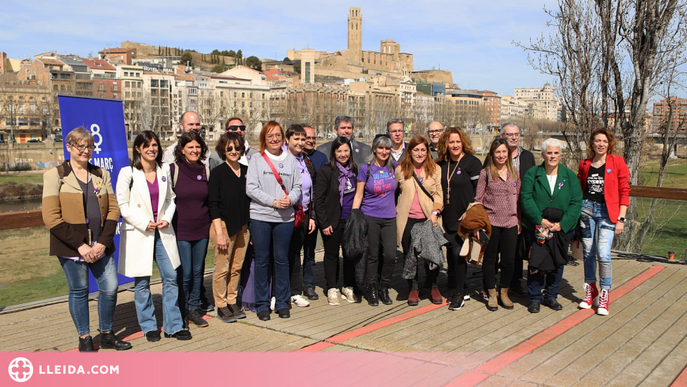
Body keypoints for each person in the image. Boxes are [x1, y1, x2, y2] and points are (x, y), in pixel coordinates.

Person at [42, 127, 131, 352]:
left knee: (110, 287)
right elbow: (51, 216)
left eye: (89, 146)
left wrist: (101, 243)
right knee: (79, 290)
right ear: (69, 147)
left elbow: (113, 209)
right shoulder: (55, 175)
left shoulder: (102, 174)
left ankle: (107, 333)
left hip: (101, 244)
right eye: (80, 146)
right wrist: (80, 246)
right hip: (71, 247)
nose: (85, 150)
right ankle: (84, 339)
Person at [117, 131, 190, 341]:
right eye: (147, 145)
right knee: (142, 283)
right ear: (138, 148)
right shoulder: (128, 173)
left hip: (163, 231)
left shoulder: (164, 169)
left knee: (171, 277)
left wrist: (167, 217)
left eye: (155, 145)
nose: (152, 149)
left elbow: (171, 199)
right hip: (141, 232)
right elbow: (123, 205)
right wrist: (144, 223)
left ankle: (173, 326)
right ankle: (148, 326)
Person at [246, 121, 302, 321]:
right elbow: (251, 188)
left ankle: (282, 302)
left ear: (283, 137)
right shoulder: (256, 159)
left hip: (285, 218)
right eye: (270, 136)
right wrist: (273, 202)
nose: (274, 139)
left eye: (277, 135)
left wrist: (291, 199)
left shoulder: (290, 160)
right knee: (262, 261)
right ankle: (262, 304)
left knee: (282, 260)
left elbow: (297, 186)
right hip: (261, 217)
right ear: (264, 138)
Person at [520, 138, 582, 313]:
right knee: (536, 263)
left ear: (560, 155)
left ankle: (551, 296)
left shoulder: (569, 176)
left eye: (556, 153)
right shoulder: (533, 173)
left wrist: (563, 224)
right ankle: (534, 297)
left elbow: (576, 202)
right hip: (537, 226)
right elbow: (526, 197)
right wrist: (539, 219)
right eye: (549, 153)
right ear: (542, 155)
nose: (552, 156)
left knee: (557, 262)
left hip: (560, 228)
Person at [577, 128, 630, 316]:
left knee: (603, 253)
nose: (601, 144)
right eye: (597, 141)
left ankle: (605, 293)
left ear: (609, 144)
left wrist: (621, 219)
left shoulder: (617, 162)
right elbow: (580, 188)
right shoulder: (585, 164)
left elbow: (624, 191)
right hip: (587, 210)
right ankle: (591, 290)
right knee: (588, 251)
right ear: (592, 143)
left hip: (608, 213)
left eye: (604, 141)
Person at [484, 122, 536, 296]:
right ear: (502, 137)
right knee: (493, 252)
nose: (514, 137)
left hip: (518, 212)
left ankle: (513, 283)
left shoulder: (527, 156)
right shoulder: (493, 156)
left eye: (516, 134)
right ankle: (490, 285)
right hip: (494, 214)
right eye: (509, 135)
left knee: (515, 252)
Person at [436, 127, 483, 310]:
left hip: (465, 217)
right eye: (451, 142)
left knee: (458, 253)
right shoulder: (441, 164)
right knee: (452, 253)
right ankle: (461, 286)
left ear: (463, 142)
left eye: (457, 141)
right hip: (445, 216)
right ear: (445, 144)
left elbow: (479, 192)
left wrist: (470, 211)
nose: (455, 145)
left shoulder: (472, 163)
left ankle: (459, 293)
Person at [395, 136, 443, 306]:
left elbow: (438, 193)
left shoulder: (435, 169)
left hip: (428, 217)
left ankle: (433, 286)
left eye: (423, 149)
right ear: (410, 152)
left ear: (427, 151)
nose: (420, 153)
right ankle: (413, 288)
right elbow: (395, 192)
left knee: (432, 254)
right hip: (408, 219)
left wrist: (435, 212)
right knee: (410, 256)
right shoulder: (401, 169)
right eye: (416, 149)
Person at [474, 138, 521, 311]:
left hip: (511, 223)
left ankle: (504, 292)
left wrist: (519, 221)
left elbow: (518, 199)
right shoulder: (485, 173)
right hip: (492, 223)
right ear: (492, 154)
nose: (501, 155)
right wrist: (479, 226)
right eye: (497, 152)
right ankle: (491, 293)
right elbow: (478, 200)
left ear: (508, 153)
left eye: (503, 152)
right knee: (490, 260)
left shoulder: (514, 173)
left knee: (509, 261)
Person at [170, 131, 211, 327]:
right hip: (181, 230)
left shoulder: (205, 170)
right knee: (185, 273)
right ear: (182, 150)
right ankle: (181, 309)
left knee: (197, 271)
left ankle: (193, 309)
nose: (194, 150)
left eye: (197, 147)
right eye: (190, 147)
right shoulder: (173, 170)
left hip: (202, 229)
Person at [208, 132, 250, 323]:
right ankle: (221, 304)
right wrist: (219, 233)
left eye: (237, 147)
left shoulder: (246, 171)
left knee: (237, 267)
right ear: (223, 150)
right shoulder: (217, 173)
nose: (234, 151)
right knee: (222, 268)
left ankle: (232, 300)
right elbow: (213, 204)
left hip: (242, 226)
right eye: (229, 148)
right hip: (223, 226)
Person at [352, 134, 397, 306]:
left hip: (389, 218)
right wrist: (354, 217)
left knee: (390, 255)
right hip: (370, 216)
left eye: (387, 148)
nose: (384, 151)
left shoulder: (394, 167)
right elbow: (358, 194)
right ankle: (371, 288)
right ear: (374, 149)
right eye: (381, 148)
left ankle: (384, 288)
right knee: (372, 256)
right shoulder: (366, 168)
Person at [314, 136, 359, 305]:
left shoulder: (354, 169)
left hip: (350, 220)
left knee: (349, 255)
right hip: (333, 220)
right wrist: (324, 223)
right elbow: (318, 200)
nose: (343, 154)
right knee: (331, 255)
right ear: (334, 152)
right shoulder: (326, 171)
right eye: (339, 151)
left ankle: (348, 286)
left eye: (346, 150)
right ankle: (331, 287)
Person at [284, 124, 317, 307]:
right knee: (284, 254)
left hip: (303, 213)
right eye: (296, 139)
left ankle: (295, 292)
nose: (300, 142)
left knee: (297, 253)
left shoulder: (306, 160)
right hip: (285, 213)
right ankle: (282, 291)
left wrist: (311, 216)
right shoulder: (282, 158)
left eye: (302, 139)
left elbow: (311, 189)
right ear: (287, 140)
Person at [300, 124, 327, 301]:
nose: (310, 140)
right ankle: (292, 285)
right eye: (306, 137)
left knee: (310, 251)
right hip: (298, 212)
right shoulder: (293, 157)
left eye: (313, 138)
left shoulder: (321, 158)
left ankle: (308, 285)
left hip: (315, 211)